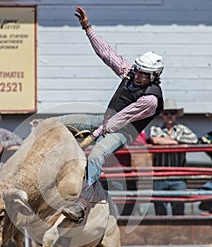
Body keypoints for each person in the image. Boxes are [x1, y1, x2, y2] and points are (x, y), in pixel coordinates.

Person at [61, 6, 164, 222]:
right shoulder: (131, 72)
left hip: (122, 131)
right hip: (106, 120)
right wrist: (88, 28)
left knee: (97, 155)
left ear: (154, 76)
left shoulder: (151, 99)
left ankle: (81, 203)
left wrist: (98, 131)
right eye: (139, 70)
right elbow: (107, 54)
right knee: (63, 122)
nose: (139, 76)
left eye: (145, 75)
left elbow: (122, 119)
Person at [149, 98, 198, 215]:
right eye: (166, 113)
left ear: (176, 115)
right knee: (160, 210)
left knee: (179, 209)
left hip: (178, 176)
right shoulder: (155, 129)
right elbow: (155, 140)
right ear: (162, 115)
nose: (169, 116)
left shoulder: (183, 129)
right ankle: (162, 231)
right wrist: (179, 143)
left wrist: (167, 141)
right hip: (160, 177)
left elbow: (194, 140)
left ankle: (179, 233)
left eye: (172, 113)